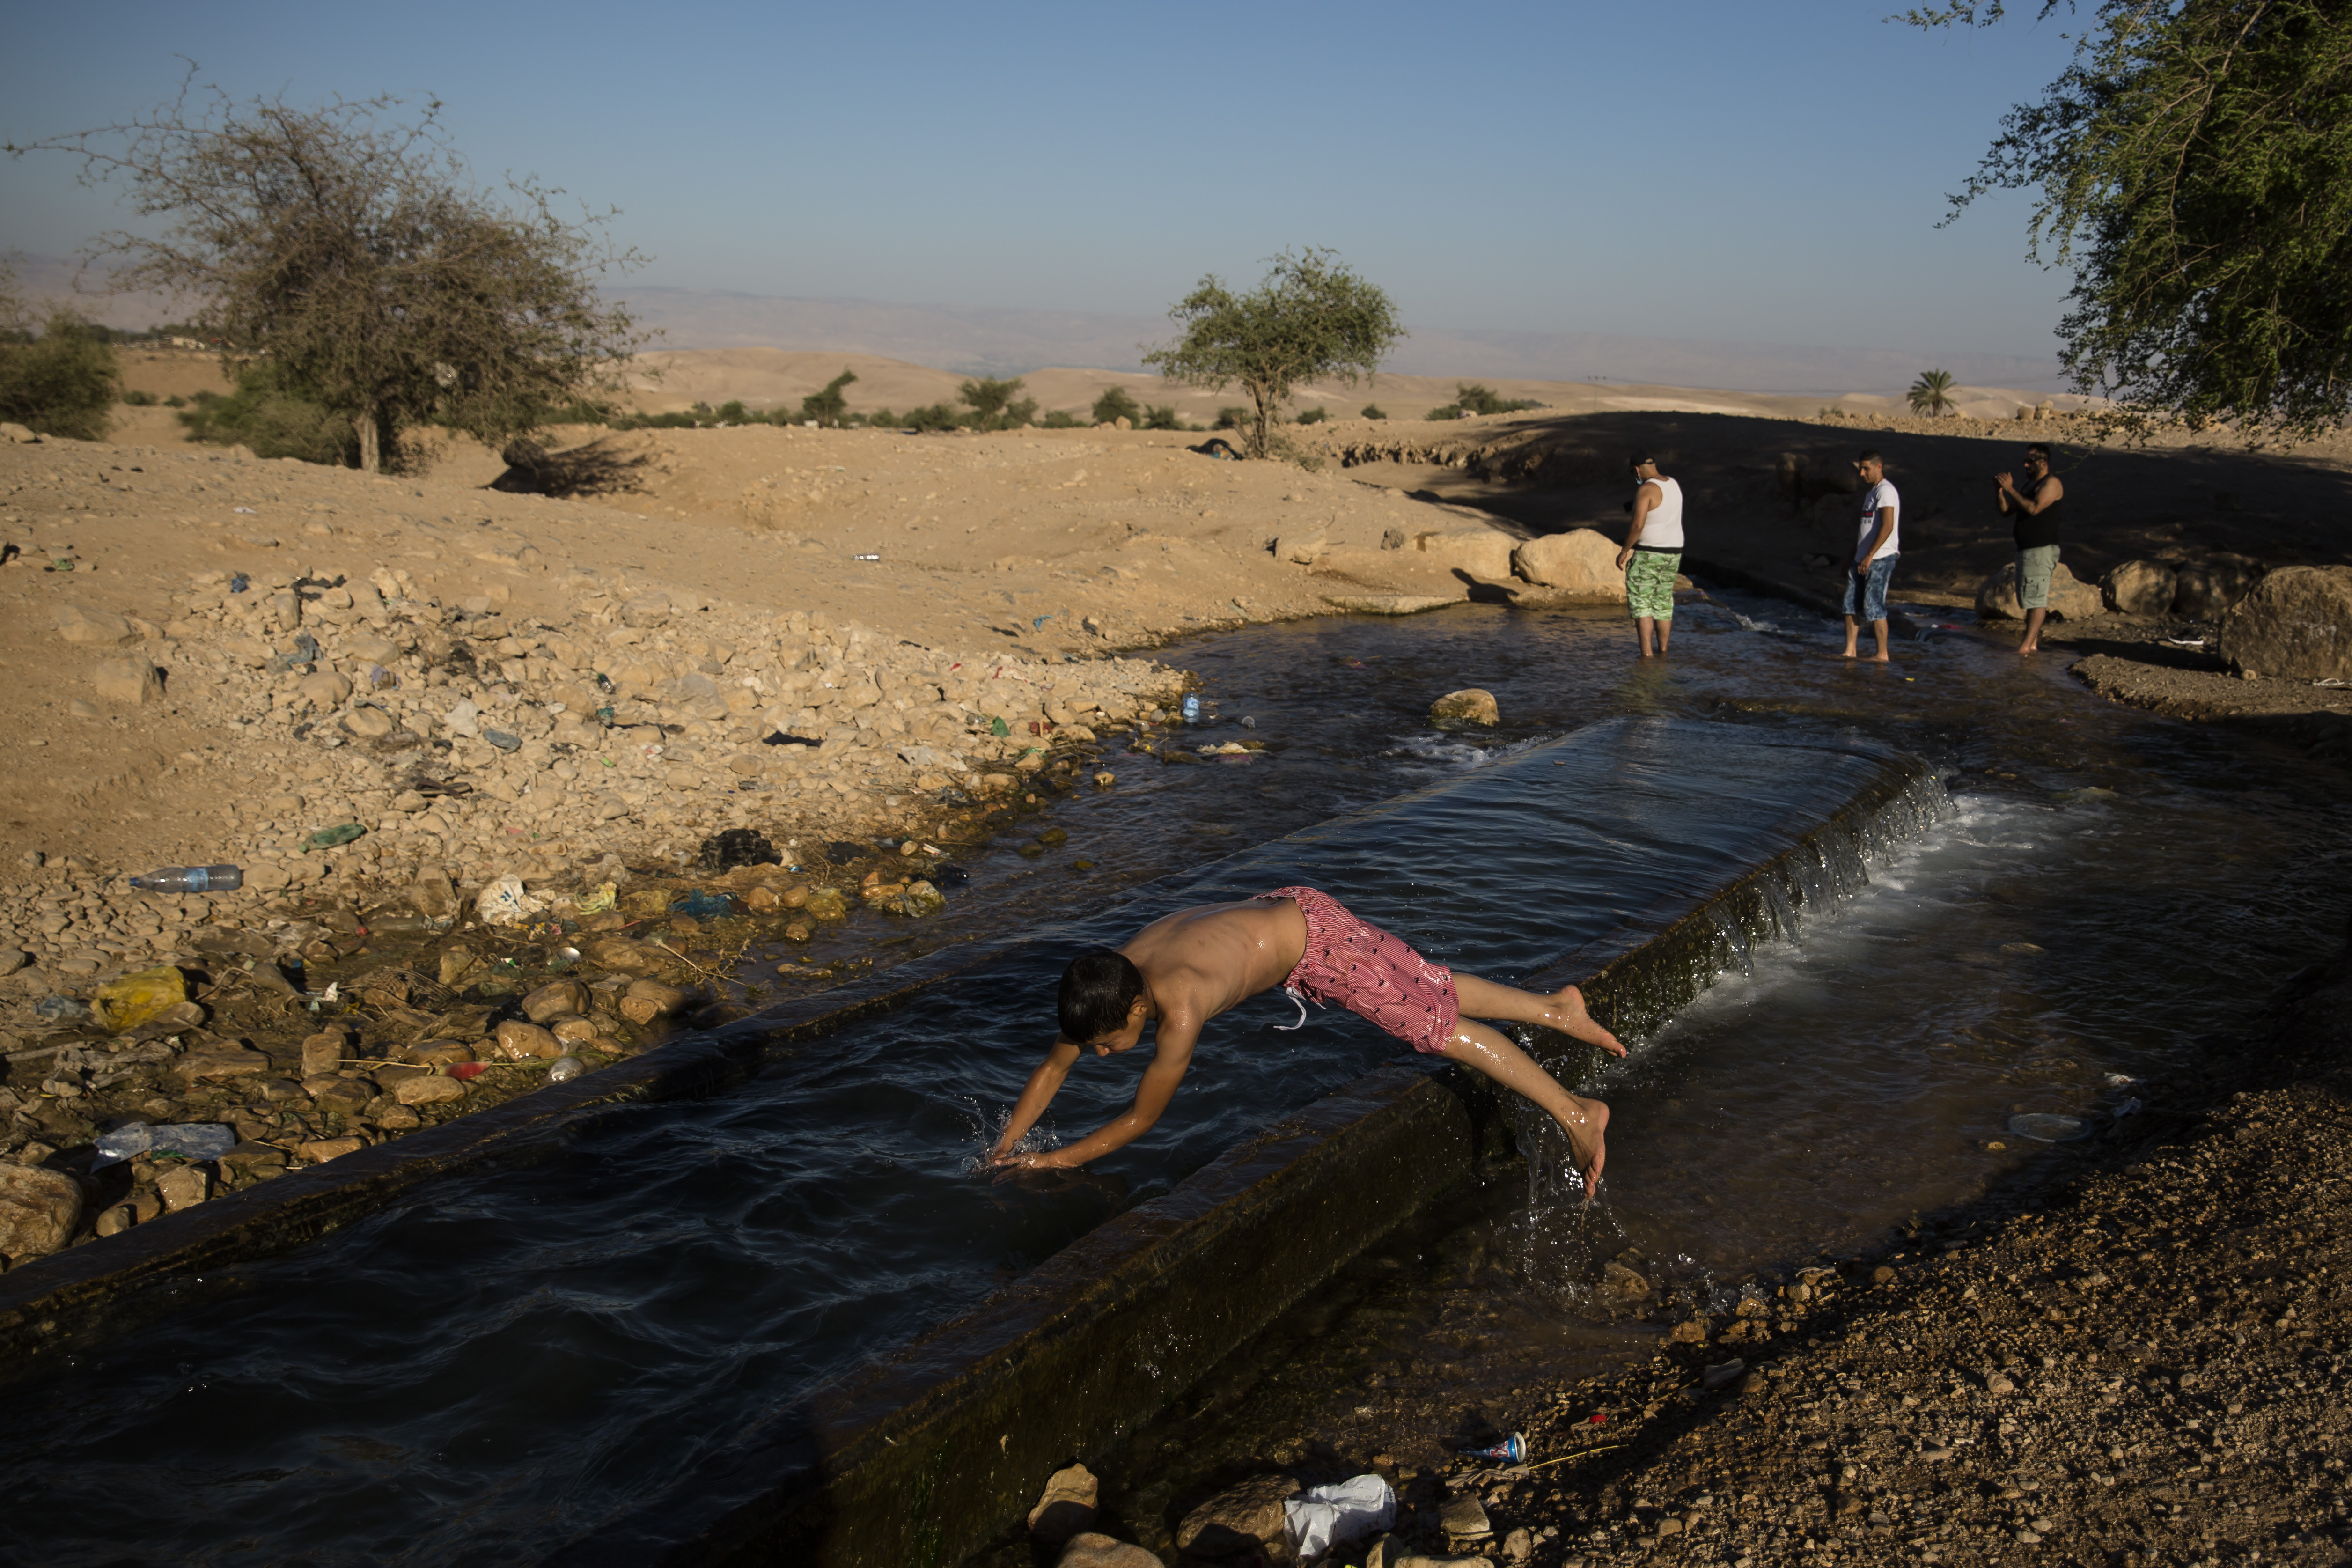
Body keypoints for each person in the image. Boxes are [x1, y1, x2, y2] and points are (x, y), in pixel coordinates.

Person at [988, 888, 1624, 1194]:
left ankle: (1575, 1114)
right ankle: (1555, 1009)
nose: (1099, 1054)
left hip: (1319, 949)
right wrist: (1009, 1141)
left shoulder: (1178, 1009)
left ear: (1135, 1007)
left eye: (1107, 1044)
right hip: (1297, 907)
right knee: (1421, 985)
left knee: (1433, 1028)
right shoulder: (1112, 977)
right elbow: (1054, 1064)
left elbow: (1142, 1117)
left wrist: (1053, 1160)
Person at [1994, 442, 2065, 655]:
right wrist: (1999, 492)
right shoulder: (2029, 486)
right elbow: (2007, 511)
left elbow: (2034, 509)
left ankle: (2025, 646)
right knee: (2029, 599)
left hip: (2040, 551)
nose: (2026, 465)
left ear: (2043, 462)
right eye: (2025, 461)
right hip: (2027, 550)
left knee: (2036, 599)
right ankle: (2031, 645)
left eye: (2030, 461)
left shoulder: (2051, 484)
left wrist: (2011, 490)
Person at [1613, 452, 1684, 658]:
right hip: (1673, 553)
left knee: (1642, 603)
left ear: (1636, 470)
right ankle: (1663, 652)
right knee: (1663, 602)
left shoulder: (1646, 489)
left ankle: (1646, 656)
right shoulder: (1673, 484)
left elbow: (1637, 525)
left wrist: (1625, 550)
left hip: (1649, 553)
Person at [1841, 451, 1901, 663]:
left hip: (1880, 558)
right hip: (1862, 557)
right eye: (1861, 469)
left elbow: (1888, 526)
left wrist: (1870, 555)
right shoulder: (1871, 494)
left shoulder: (1886, 491)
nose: (1862, 474)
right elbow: (1864, 531)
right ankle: (1850, 651)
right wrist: (1852, 557)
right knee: (1849, 604)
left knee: (1874, 605)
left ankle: (1882, 655)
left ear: (1879, 467)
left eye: (1866, 469)